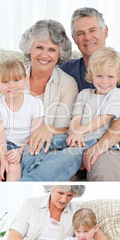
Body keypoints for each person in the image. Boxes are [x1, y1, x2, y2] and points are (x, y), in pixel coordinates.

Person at [23, 47, 120, 181]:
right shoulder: (84, 94)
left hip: (94, 141)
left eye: (110, 77)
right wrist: (73, 132)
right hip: (75, 137)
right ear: (91, 74)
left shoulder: (117, 94)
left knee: (65, 156)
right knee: (39, 143)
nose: (104, 81)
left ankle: (30, 180)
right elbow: (76, 117)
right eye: (99, 76)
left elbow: (104, 119)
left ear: (118, 77)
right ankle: (26, 171)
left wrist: (79, 131)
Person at [58, 7, 120, 181]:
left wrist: (99, 147)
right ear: (74, 39)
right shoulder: (65, 71)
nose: (87, 37)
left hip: (110, 146)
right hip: (71, 143)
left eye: (93, 30)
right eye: (81, 33)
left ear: (105, 31)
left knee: (104, 167)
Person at [13, 19, 78, 180]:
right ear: (30, 48)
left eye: (51, 50)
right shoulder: (12, 78)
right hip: (12, 146)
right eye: (39, 47)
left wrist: (48, 128)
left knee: (71, 151)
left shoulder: (68, 84)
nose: (44, 55)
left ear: (59, 54)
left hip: (47, 149)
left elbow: (65, 129)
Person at [0, 185, 110, 240]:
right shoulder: (31, 204)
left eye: (70, 195)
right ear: (51, 188)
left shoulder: (77, 215)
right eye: (60, 193)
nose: (64, 200)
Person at [0, 59, 44, 181]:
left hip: (25, 146)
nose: (12, 85)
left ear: (25, 80)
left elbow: (36, 135)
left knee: (14, 167)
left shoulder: (34, 103)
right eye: (5, 82)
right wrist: (2, 160)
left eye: (16, 80)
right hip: (2, 145)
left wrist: (20, 151)